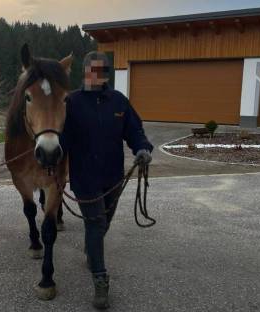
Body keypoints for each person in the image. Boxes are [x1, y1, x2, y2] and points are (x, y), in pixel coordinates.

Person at [60, 51, 153, 310]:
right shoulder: (72, 103)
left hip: (113, 177)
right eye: (92, 70)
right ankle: (100, 279)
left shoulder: (119, 102)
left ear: (105, 75)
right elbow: (61, 138)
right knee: (96, 222)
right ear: (85, 72)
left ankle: (93, 251)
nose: (96, 76)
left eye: (101, 71)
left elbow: (134, 131)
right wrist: (51, 155)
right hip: (85, 178)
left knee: (104, 223)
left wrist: (142, 148)